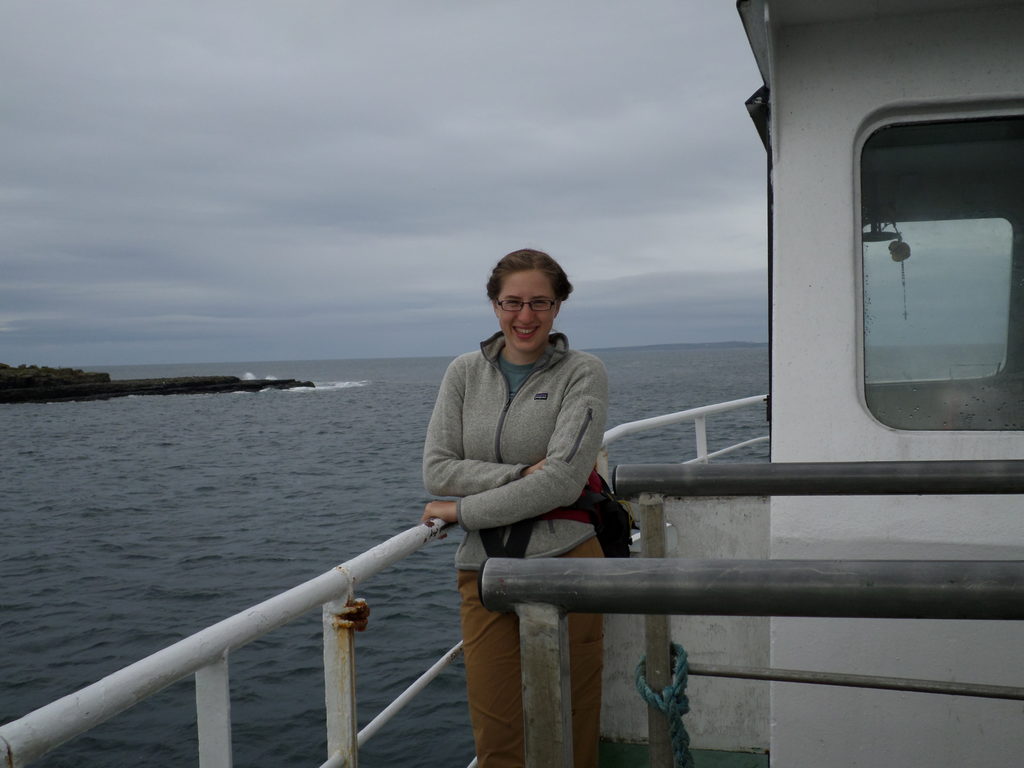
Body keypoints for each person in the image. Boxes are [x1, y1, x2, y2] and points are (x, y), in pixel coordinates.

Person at [420, 248, 609, 768]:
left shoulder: (582, 373)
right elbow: (437, 470)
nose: (525, 317)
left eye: (539, 303)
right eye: (512, 302)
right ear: (493, 304)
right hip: (484, 568)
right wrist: (520, 473)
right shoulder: (463, 373)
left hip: (568, 560)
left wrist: (463, 511)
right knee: (498, 733)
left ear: (559, 305)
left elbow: (565, 483)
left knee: (573, 719)